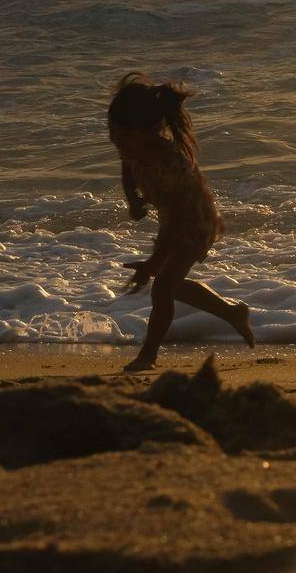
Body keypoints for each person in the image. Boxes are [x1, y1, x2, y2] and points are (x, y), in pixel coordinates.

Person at [108, 73, 254, 372]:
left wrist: (151, 263)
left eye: (122, 134)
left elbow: (175, 224)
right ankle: (232, 312)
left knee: (162, 287)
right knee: (171, 284)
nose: (116, 141)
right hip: (172, 218)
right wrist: (133, 199)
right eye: (113, 133)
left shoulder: (170, 162)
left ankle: (148, 355)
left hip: (194, 222)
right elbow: (127, 166)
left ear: (148, 130)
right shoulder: (131, 147)